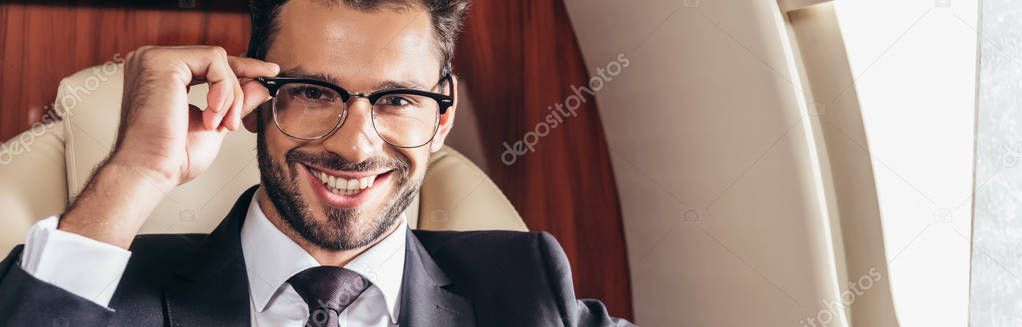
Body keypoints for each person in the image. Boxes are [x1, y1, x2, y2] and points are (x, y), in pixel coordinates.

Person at [0, 0, 633, 326]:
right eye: (312, 93)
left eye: (398, 99)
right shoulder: (109, 295)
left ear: (441, 116)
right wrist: (137, 172)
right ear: (250, 98)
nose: (355, 146)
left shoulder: (525, 289)